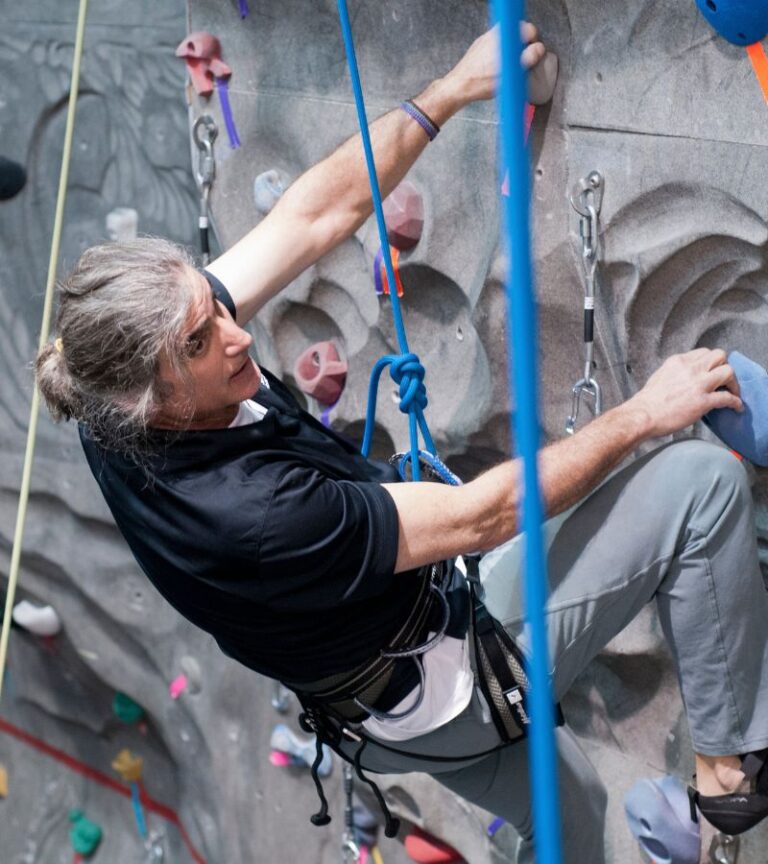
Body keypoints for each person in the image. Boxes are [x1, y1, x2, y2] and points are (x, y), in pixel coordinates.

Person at [35, 23, 768, 864]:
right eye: (202, 345)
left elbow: (316, 214)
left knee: (569, 807)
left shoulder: (106, 385)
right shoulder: (253, 515)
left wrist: (452, 89)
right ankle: (728, 776)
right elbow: (480, 515)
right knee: (702, 483)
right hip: (447, 684)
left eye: (215, 311)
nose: (238, 338)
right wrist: (648, 409)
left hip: (374, 701)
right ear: (149, 400)